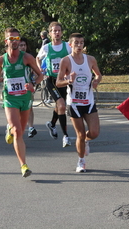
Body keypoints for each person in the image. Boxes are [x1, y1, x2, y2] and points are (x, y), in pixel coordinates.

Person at [0, 27, 43, 178]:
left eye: (17, 39)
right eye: (11, 39)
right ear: (6, 41)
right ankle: (23, 165)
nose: (15, 41)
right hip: (10, 97)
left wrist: (33, 84)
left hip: (25, 97)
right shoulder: (1, 59)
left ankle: (10, 129)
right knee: (17, 130)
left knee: (20, 128)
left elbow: (40, 75)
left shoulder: (27, 57)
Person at [56, 33, 102, 172]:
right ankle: (81, 161)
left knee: (94, 133)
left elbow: (99, 75)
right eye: (76, 43)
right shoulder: (66, 61)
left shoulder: (91, 59)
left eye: (81, 42)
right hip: (74, 103)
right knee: (80, 135)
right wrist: (68, 81)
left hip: (88, 101)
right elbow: (58, 82)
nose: (79, 45)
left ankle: (86, 142)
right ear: (70, 45)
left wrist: (96, 81)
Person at [36, 21, 72, 147]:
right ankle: (66, 136)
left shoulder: (67, 46)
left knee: (59, 106)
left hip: (63, 80)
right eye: (54, 31)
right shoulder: (46, 47)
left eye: (58, 31)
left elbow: (73, 59)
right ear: (50, 33)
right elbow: (38, 58)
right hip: (51, 80)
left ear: (62, 33)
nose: (56, 33)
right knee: (62, 105)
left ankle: (52, 124)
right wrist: (40, 68)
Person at [19, 37, 37, 138]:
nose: (23, 47)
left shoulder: (29, 58)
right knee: (18, 110)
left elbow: (36, 72)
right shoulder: (12, 58)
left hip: (27, 87)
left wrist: (33, 81)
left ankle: (31, 128)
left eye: (24, 45)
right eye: (21, 45)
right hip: (15, 90)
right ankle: (14, 127)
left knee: (29, 107)